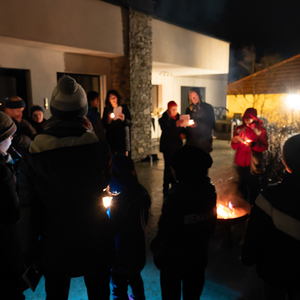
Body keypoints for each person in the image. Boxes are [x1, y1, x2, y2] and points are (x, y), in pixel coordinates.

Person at [19, 76, 115, 300]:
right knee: (99, 293)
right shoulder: (99, 148)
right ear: (83, 110)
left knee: (56, 294)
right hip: (95, 235)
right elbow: (103, 183)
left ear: (53, 110)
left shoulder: (34, 153)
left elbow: (28, 207)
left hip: (54, 241)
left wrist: (29, 252)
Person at [151, 145, 217, 300]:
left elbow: (166, 233)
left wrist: (156, 250)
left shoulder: (176, 197)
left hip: (173, 263)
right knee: (193, 294)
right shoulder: (209, 190)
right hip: (198, 258)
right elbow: (210, 225)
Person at [241, 133, 300, 300]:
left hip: (276, 271)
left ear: (284, 160)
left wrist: (247, 257)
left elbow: (256, 233)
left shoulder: (271, 197)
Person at [109, 154, 151, 300]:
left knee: (118, 288)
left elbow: (112, 227)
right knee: (135, 279)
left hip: (120, 254)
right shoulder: (141, 191)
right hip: (138, 249)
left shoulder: (120, 201)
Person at [0, 112, 26, 299]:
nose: (12, 139)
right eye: (10, 136)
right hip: (5, 246)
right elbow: (12, 212)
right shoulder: (2, 172)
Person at [231, 108, 268, 205]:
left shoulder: (260, 131)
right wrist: (235, 141)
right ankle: (241, 206)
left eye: (249, 119)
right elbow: (234, 146)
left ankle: (253, 206)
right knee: (241, 185)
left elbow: (264, 146)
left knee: (253, 186)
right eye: (245, 119)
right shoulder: (239, 129)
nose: (247, 121)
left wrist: (254, 145)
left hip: (253, 162)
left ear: (254, 118)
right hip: (240, 161)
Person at [159, 100, 185, 197]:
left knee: (176, 166)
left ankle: (175, 184)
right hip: (167, 146)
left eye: (176, 109)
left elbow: (182, 130)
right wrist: (176, 125)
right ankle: (166, 186)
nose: (175, 111)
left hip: (177, 146)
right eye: (173, 109)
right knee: (168, 166)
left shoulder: (179, 118)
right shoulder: (163, 119)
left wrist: (184, 133)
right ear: (169, 109)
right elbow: (166, 130)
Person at [185, 88, 215, 152]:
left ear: (199, 96)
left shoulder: (207, 108)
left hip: (204, 141)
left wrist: (197, 125)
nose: (194, 98)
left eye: (195, 95)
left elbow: (211, 123)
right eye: (192, 96)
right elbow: (187, 125)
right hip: (192, 142)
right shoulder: (189, 110)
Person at [102, 90, 132, 155]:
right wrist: (108, 121)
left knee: (121, 156)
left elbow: (129, 122)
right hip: (111, 137)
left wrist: (124, 119)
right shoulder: (107, 110)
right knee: (112, 155)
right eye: (110, 98)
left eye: (114, 97)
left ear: (117, 98)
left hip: (121, 136)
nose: (113, 100)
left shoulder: (123, 108)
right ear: (108, 99)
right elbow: (104, 124)